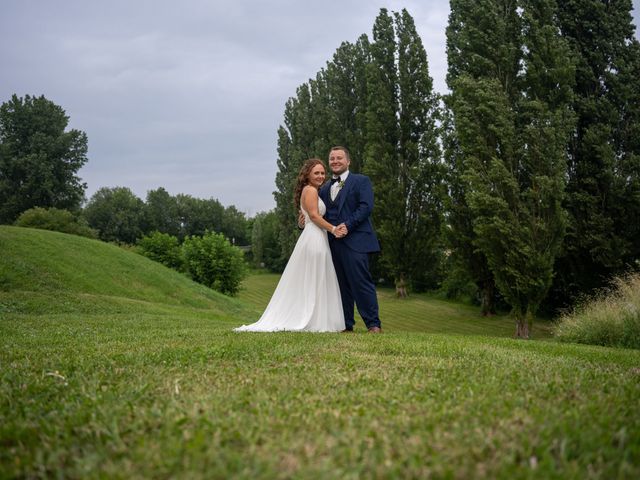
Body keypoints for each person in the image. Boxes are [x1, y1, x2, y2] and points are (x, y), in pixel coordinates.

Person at [235, 159, 345, 332]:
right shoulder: (310, 190)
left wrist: (304, 223)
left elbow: (308, 217)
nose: (320, 176)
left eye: (322, 173)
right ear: (307, 174)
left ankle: (318, 319)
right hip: (314, 238)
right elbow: (315, 217)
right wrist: (333, 229)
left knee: (315, 277)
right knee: (314, 277)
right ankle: (311, 319)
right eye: (316, 173)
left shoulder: (312, 191)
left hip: (316, 236)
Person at [319, 146, 382, 333]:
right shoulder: (324, 189)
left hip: (356, 241)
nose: (335, 161)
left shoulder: (361, 181)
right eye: (332, 158)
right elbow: (318, 214)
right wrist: (302, 222)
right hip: (333, 244)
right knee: (340, 286)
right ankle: (346, 325)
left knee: (361, 283)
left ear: (348, 161)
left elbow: (365, 207)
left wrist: (348, 225)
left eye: (339, 158)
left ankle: (373, 325)